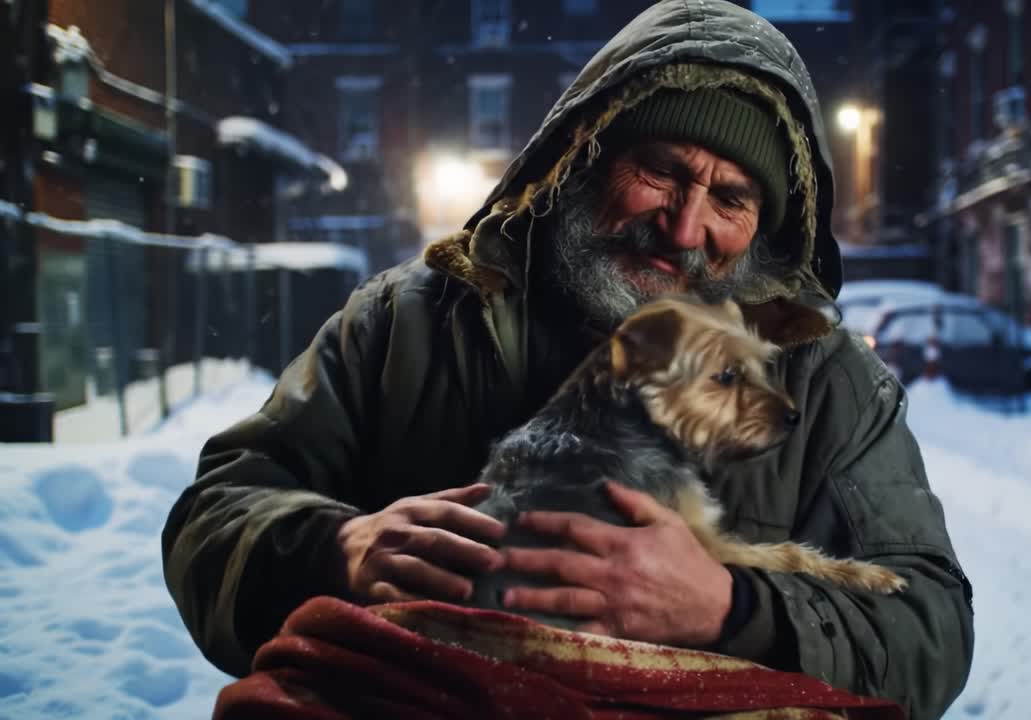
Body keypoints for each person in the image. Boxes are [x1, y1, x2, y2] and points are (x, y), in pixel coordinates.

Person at [162, 1, 974, 717]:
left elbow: (930, 627)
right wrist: (335, 549)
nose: (685, 228)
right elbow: (218, 511)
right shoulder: (409, 323)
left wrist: (730, 606)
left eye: (730, 199)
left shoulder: (825, 383)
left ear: (763, 229)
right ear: (581, 157)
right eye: (661, 171)